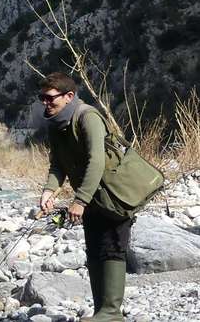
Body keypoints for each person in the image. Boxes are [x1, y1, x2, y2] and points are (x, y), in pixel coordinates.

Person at [37, 72, 130, 322]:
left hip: (113, 194)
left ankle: (112, 313)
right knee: (94, 250)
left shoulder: (87, 116)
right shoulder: (56, 125)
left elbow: (96, 160)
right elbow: (58, 165)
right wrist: (49, 191)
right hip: (90, 196)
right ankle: (102, 312)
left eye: (50, 98)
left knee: (113, 248)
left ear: (69, 96)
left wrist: (80, 201)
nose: (45, 103)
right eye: (41, 98)